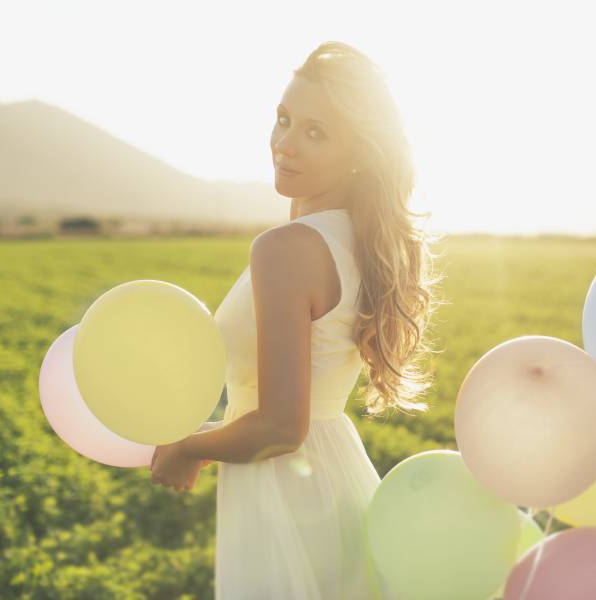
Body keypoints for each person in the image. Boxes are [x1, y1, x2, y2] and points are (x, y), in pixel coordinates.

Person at [150, 40, 445, 599]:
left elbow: (283, 427)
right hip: (330, 472)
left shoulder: (287, 248)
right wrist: (198, 437)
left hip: (287, 495)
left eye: (316, 132)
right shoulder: (361, 241)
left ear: (359, 152)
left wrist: (190, 449)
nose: (284, 144)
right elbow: (287, 412)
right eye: (284, 120)